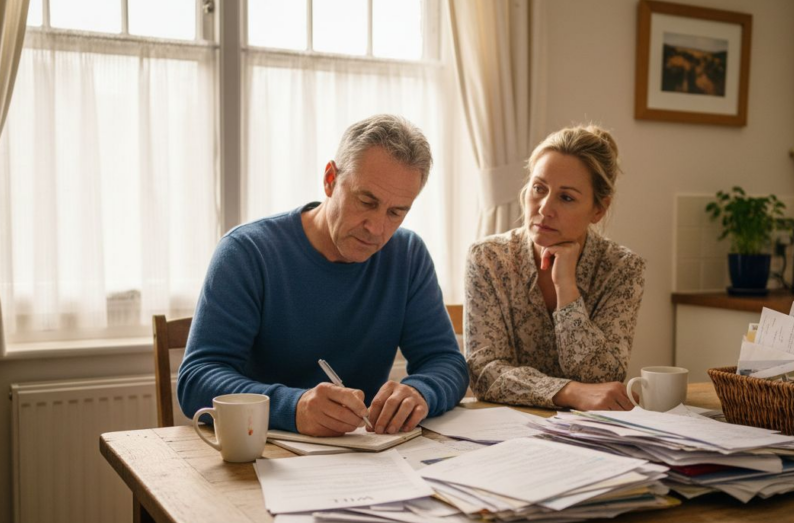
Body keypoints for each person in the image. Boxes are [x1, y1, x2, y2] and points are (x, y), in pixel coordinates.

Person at [179, 114, 468, 437]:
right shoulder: (247, 253)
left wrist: (421, 393)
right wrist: (294, 407)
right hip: (261, 456)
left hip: (364, 460)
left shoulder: (408, 255)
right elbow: (197, 379)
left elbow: (446, 361)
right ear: (330, 179)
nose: (376, 228)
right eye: (366, 201)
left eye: (395, 212)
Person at [464, 125, 645, 410]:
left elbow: (603, 378)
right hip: (503, 432)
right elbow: (483, 372)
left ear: (598, 210)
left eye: (566, 197)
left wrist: (567, 289)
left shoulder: (622, 268)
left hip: (591, 435)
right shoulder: (489, 258)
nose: (544, 208)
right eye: (539, 188)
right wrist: (569, 392)